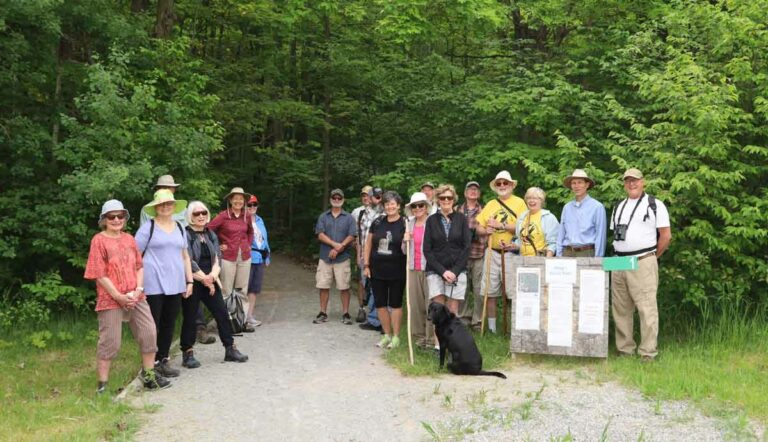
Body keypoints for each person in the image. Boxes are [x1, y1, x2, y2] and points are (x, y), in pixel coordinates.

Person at [85, 200, 170, 393]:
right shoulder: (98, 240)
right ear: (104, 220)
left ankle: (149, 377)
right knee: (110, 342)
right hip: (111, 298)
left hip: (135, 296)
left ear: (125, 218)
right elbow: (98, 273)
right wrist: (117, 295)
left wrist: (138, 290)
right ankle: (102, 386)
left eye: (120, 216)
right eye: (111, 216)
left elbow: (139, 266)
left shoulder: (129, 239)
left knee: (149, 333)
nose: (116, 220)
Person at [610, 168, 671, 361]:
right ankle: (624, 349)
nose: (631, 183)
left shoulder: (655, 204)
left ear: (642, 181)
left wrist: (652, 256)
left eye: (635, 180)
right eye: (627, 180)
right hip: (619, 260)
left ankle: (648, 352)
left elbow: (666, 236)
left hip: (643, 260)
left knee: (646, 307)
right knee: (620, 307)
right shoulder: (619, 205)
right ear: (624, 184)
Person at [181, 201, 249, 368]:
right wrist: (204, 279)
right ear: (190, 216)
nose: (201, 216)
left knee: (222, 313)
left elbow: (217, 256)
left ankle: (230, 348)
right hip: (193, 279)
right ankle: (187, 352)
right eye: (196, 214)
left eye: (203, 213)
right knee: (190, 318)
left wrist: (212, 277)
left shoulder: (211, 233)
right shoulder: (185, 234)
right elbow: (187, 260)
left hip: (211, 278)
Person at [135, 189, 194, 378]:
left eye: (169, 204)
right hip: (152, 283)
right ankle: (149, 365)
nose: (165, 207)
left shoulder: (179, 227)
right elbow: (134, 255)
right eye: (161, 204)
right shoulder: (148, 228)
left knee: (169, 323)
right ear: (156, 208)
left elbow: (185, 256)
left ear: (174, 207)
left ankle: (163, 360)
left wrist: (189, 280)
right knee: (152, 325)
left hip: (176, 283)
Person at [476, 170, 527, 333]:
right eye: (499, 183)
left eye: (505, 183)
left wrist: (501, 226)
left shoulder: (519, 203)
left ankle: (514, 328)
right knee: (490, 292)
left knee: (513, 292)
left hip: (512, 253)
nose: (502, 186)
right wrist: (486, 230)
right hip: (492, 251)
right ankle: (492, 330)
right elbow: (478, 227)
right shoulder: (491, 204)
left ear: (511, 185)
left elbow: (523, 227)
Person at [363, 191, 407, 348]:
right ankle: (386, 335)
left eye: (393, 204)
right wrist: (366, 265)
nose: (390, 207)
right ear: (384, 206)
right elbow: (368, 244)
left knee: (395, 304)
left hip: (397, 270)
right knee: (380, 304)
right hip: (377, 270)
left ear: (399, 206)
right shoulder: (377, 222)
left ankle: (396, 337)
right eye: (387, 204)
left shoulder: (405, 222)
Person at [208, 187, 254, 331]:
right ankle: (226, 323)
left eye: (241, 199)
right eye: (236, 198)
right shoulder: (223, 216)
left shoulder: (246, 216)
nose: (238, 201)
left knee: (242, 290)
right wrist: (219, 245)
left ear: (244, 201)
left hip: (245, 256)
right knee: (226, 291)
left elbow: (250, 232)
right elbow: (208, 230)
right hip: (228, 257)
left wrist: (248, 244)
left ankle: (241, 322)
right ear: (230, 200)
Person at [423, 184, 471, 318]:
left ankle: (451, 339)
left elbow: (466, 247)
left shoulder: (461, 219)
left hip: (457, 270)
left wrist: (454, 271)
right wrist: (443, 272)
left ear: (454, 199)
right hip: (436, 269)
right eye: (442, 197)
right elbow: (427, 250)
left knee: (452, 310)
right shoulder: (431, 220)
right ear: (438, 199)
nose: (446, 200)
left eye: (449, 197)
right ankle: (438, 340)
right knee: (438, 311)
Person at [313, 189, 357, 324]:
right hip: (325, 257)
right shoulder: (323, 216)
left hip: (342, 258)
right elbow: (320, 234)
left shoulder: (349, 217)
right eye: (334, 197)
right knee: (323, 286)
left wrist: (339, 248)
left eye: (339, 198)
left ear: (343, 199)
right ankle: (323, 312)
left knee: (344, 286)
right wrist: (334, 244)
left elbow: (352, 235)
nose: (336, 200)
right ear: (331, 199)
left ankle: (346, 313)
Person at [403, 192, 433, 348]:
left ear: (426, 207)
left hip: (429, 269)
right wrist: (405, 239)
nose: (417, 208)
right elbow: (404, 250)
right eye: (414, 206)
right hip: (413, 268)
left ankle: (431, 338)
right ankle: (419, 337)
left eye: (421, 205)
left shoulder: (433, 222)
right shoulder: (409, 223)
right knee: (416, 305)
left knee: (431, 304)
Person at [456, 181, 488, 328]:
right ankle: (463, 316)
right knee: (462, 287)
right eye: (470, 189)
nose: (473, 191)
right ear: (465, 193)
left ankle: (477, 320)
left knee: (478, 288)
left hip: (479, 253)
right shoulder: (457, 210)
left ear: (479, 194)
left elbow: (487, 231)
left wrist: (475, 232)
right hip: (461, 255)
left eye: (476, 189)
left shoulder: (485, 210)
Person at [556, 169, 607, 257]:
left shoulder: (597, 207)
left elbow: (600, 236)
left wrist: (598, 259)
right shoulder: (567, 207)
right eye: (574, 183)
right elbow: (561, 234)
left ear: (587, 185)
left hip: (587, 252)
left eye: (580, 182)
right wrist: (558, 255)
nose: (576, 186)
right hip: (567, 252)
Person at [358, 187, 384, 332]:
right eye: (374, 196)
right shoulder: (364, 213)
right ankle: (374, 318)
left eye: (379, 195)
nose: (376, 198)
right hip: (367, 256)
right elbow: (362, 237)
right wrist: (361, 256)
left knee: (381, 288)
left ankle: (380, 320)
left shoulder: (387, 211)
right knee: (370, 287)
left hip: (382, 256)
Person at [513, 187, 560, 257]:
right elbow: (519, 241)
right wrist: (512, 246)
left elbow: (553, 243)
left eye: (535, 198)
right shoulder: (522, 217)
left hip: (540, 259)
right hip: (522, 260)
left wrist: (547, 260)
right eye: (529, 198)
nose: (531, 201)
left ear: (541, 200)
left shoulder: (549, 218)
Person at [246, 194, 270, 328]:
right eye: (249, 205)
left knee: (254, 289)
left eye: (254, 204)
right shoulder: (243, 221)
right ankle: (240, 316)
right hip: (248, 258)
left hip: (260, 258)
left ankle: (249, 316)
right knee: (244, 288)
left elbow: (265, 239)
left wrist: (268, 255)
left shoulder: (260, 220)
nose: (252, 207)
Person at [350, 186, 373, 323]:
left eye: (368, 195)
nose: (366, 198)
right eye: (363, 195)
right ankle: (361, 308)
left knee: (376, 282)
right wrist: (357, 250)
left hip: (377, 254)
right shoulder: (356, 212)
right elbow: (354, 234)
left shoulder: (380, 211)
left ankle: (374, 312)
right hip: (362, 252)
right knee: (362, 281)